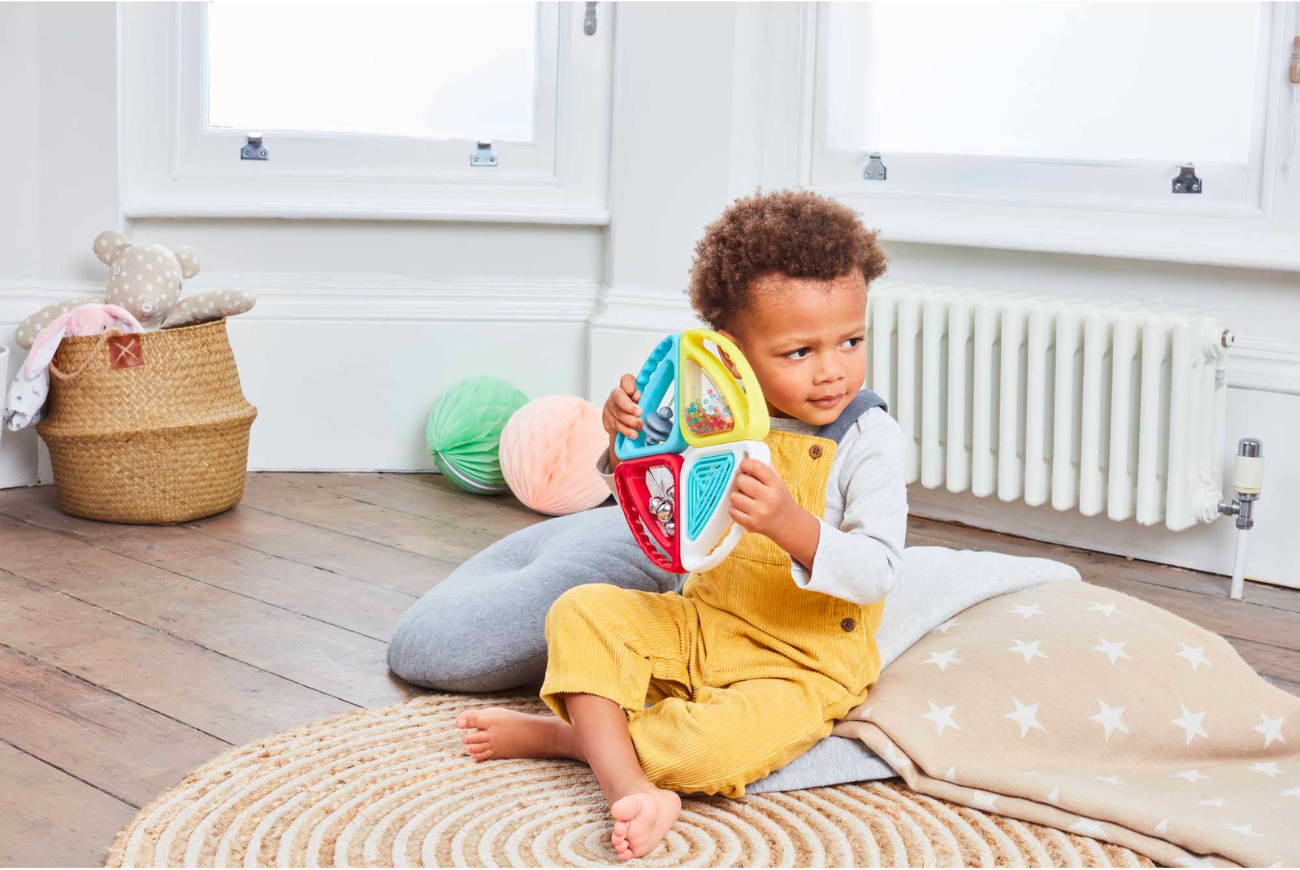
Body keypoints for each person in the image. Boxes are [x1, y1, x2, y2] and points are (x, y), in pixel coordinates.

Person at [455, 190, 907, 860]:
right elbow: (655, 510)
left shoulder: (868, 439)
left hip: (801, 666)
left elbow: (877, 571)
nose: (832, 369)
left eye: (850, 340)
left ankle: (578, 741)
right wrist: (623, 441)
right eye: (798, 352)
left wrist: (790, 524)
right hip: (702, 625)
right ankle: (629, 777)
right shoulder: (706, 414)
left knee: (706, 752)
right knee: (580, 613)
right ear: (730, 350)